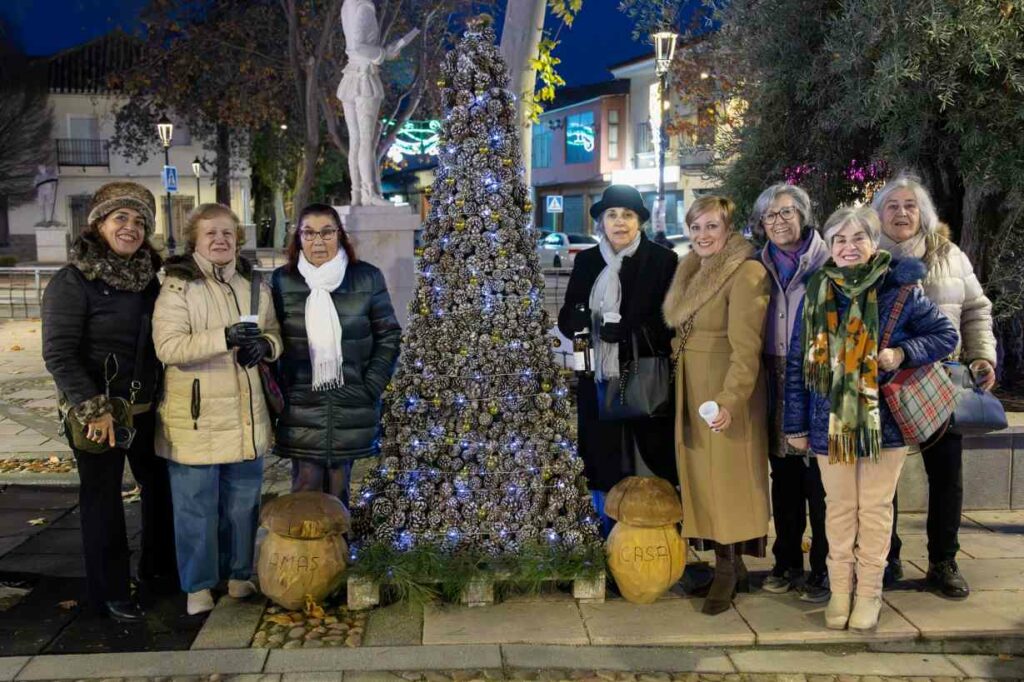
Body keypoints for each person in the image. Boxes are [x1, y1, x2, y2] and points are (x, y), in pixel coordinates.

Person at [785, 206, 958, 631]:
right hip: (829, 424)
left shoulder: (900, 289)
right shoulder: (816, 292)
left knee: (876, 510)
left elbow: (945, 335)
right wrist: (797, 426)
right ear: (830, 245)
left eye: (858, 239)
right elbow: (795, 365)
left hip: (886, 425)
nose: (848, 248)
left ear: (873, 242)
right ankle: (840, 591)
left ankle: (869, 594)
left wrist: (901, 354)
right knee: (839, 509)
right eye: (839, 240)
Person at [41, 181, 177, 623]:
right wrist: (93, 408)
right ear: (98, 223)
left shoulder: (149, 283)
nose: (131, 227)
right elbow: (59, 353)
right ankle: (111, 591)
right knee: (103, 502)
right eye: (121, 218)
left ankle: (158, 573)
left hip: (147, 409)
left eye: (140, 221)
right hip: (98, 413)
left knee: (161, 492)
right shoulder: (73, 281)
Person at [152, 203, 282, 616]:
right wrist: (222, 337)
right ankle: (198, 585)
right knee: (196, 509)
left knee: (243, 504)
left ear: (237, 239)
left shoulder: (254, 284)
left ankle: (240, 574)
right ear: (195, 240)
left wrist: (267, 346)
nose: (220, 240)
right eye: (210, 234)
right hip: (195, 418)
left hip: (246, 416)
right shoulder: (177, 285)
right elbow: (168, 348)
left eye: (227, 233)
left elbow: (275, 332)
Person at [872, 175, 998, 600]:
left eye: (910, 205)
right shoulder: (866, 258)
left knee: (946, 475)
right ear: (878, 214)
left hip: (939, 379)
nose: (901, 213)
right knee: (880, 478)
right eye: (892, 205)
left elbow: (976, 309)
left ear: (923, 212)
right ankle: (884, 556)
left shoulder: (949, 256)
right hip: (885, 382)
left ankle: (943, 560)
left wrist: (982, 356)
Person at [662, 195, 770, 615]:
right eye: (696, 227)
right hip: (693, 389)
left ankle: (728, 566)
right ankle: (725, 562)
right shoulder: (692, 268)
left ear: (728, 229)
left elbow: (748, 350)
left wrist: (731, 399)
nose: (703, 235)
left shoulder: (745, 273)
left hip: (723, 394)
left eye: (712, 226)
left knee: (728, 480)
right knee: (701, 479)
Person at [557, 185, 679, 534]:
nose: (619, 222)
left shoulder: (662, 261)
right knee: (601, 460)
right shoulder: (587, 261)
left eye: (627, 214)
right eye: (612, 215)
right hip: (595, 377)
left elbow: (670, 322)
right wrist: (577, 320)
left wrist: (628, 332)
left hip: (641, 380)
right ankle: (605, 535)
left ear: (639, 221)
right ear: (602, 222)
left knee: (647, 460)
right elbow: (568, 315)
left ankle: (650, 540)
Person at [271, 204, 401, 506]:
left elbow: (389, 335)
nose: (318, 241)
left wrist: (371, 386)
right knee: (305, 488)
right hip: (301, 405)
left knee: (339, 493)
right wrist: (283, 388)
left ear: (340, 236)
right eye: (309, 233)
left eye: (327, 232)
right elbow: (273, 337)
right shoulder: (283, 281)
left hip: (352, 403)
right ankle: (303, 555)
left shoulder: (366, 278)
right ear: (298, 238)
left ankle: (338, 553)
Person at [751, 184, 831, 602]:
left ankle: (823, 567)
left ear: (803, 215)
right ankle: (785, 561)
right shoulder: (756, 265)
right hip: (772, 374)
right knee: (782, 478)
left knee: (820, 479)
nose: (779, 222)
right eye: (769, 216)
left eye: (786, 213)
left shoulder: (828, 259)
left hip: (818, 377)